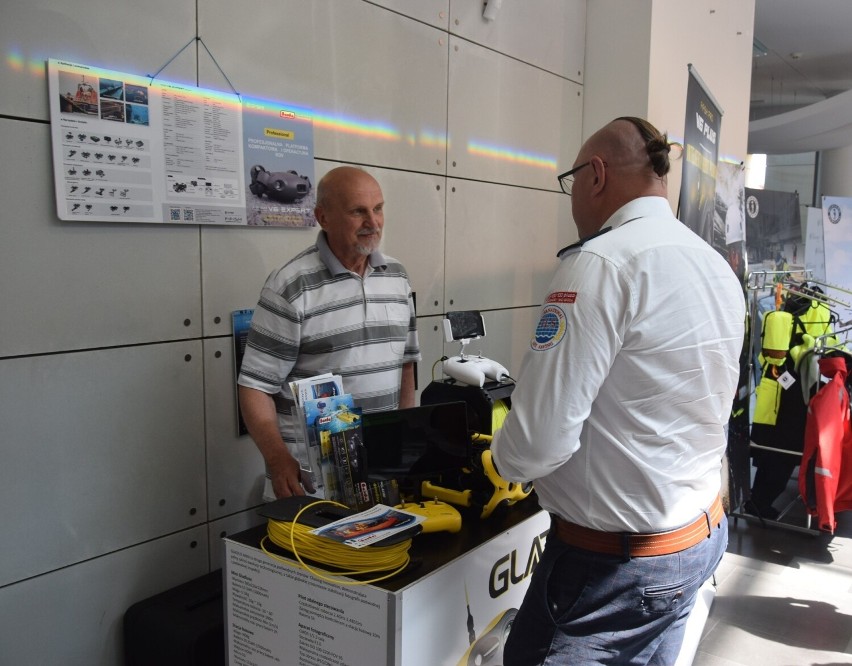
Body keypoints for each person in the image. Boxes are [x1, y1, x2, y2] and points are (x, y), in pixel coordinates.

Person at [491, 117, 745, 665]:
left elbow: (535, 445)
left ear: (596, 175)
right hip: (697, 539)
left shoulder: (597, 264)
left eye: (570, 182)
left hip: (609, 575)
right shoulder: (715, 268)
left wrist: (497, 454)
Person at [238, 166, 421, 500]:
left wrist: (403, 437)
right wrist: (278, 460)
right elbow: (255, 386)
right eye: (358, 212)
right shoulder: (290, 286)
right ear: (323, 217)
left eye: (378, 209)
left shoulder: (397, 277)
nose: (373, 222)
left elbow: (406, 365)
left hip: (380, 476)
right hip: (311, 487)